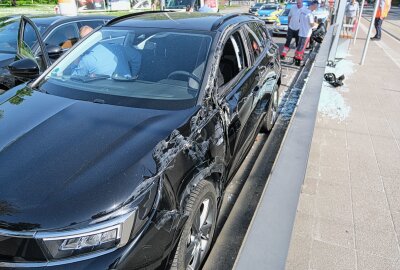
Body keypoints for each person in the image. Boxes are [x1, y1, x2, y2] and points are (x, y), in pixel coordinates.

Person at [294, 0, 318, 65]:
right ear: (314, 5)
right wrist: (316, 25)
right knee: (302, 48)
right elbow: (311, 24)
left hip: (301, 32)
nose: (316, 8)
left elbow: (299, 20)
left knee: (299, 46)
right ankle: (298, 61)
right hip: (306, 33)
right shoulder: (310, 14)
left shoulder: (303, 11)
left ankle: (295, 58)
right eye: (316, 7)